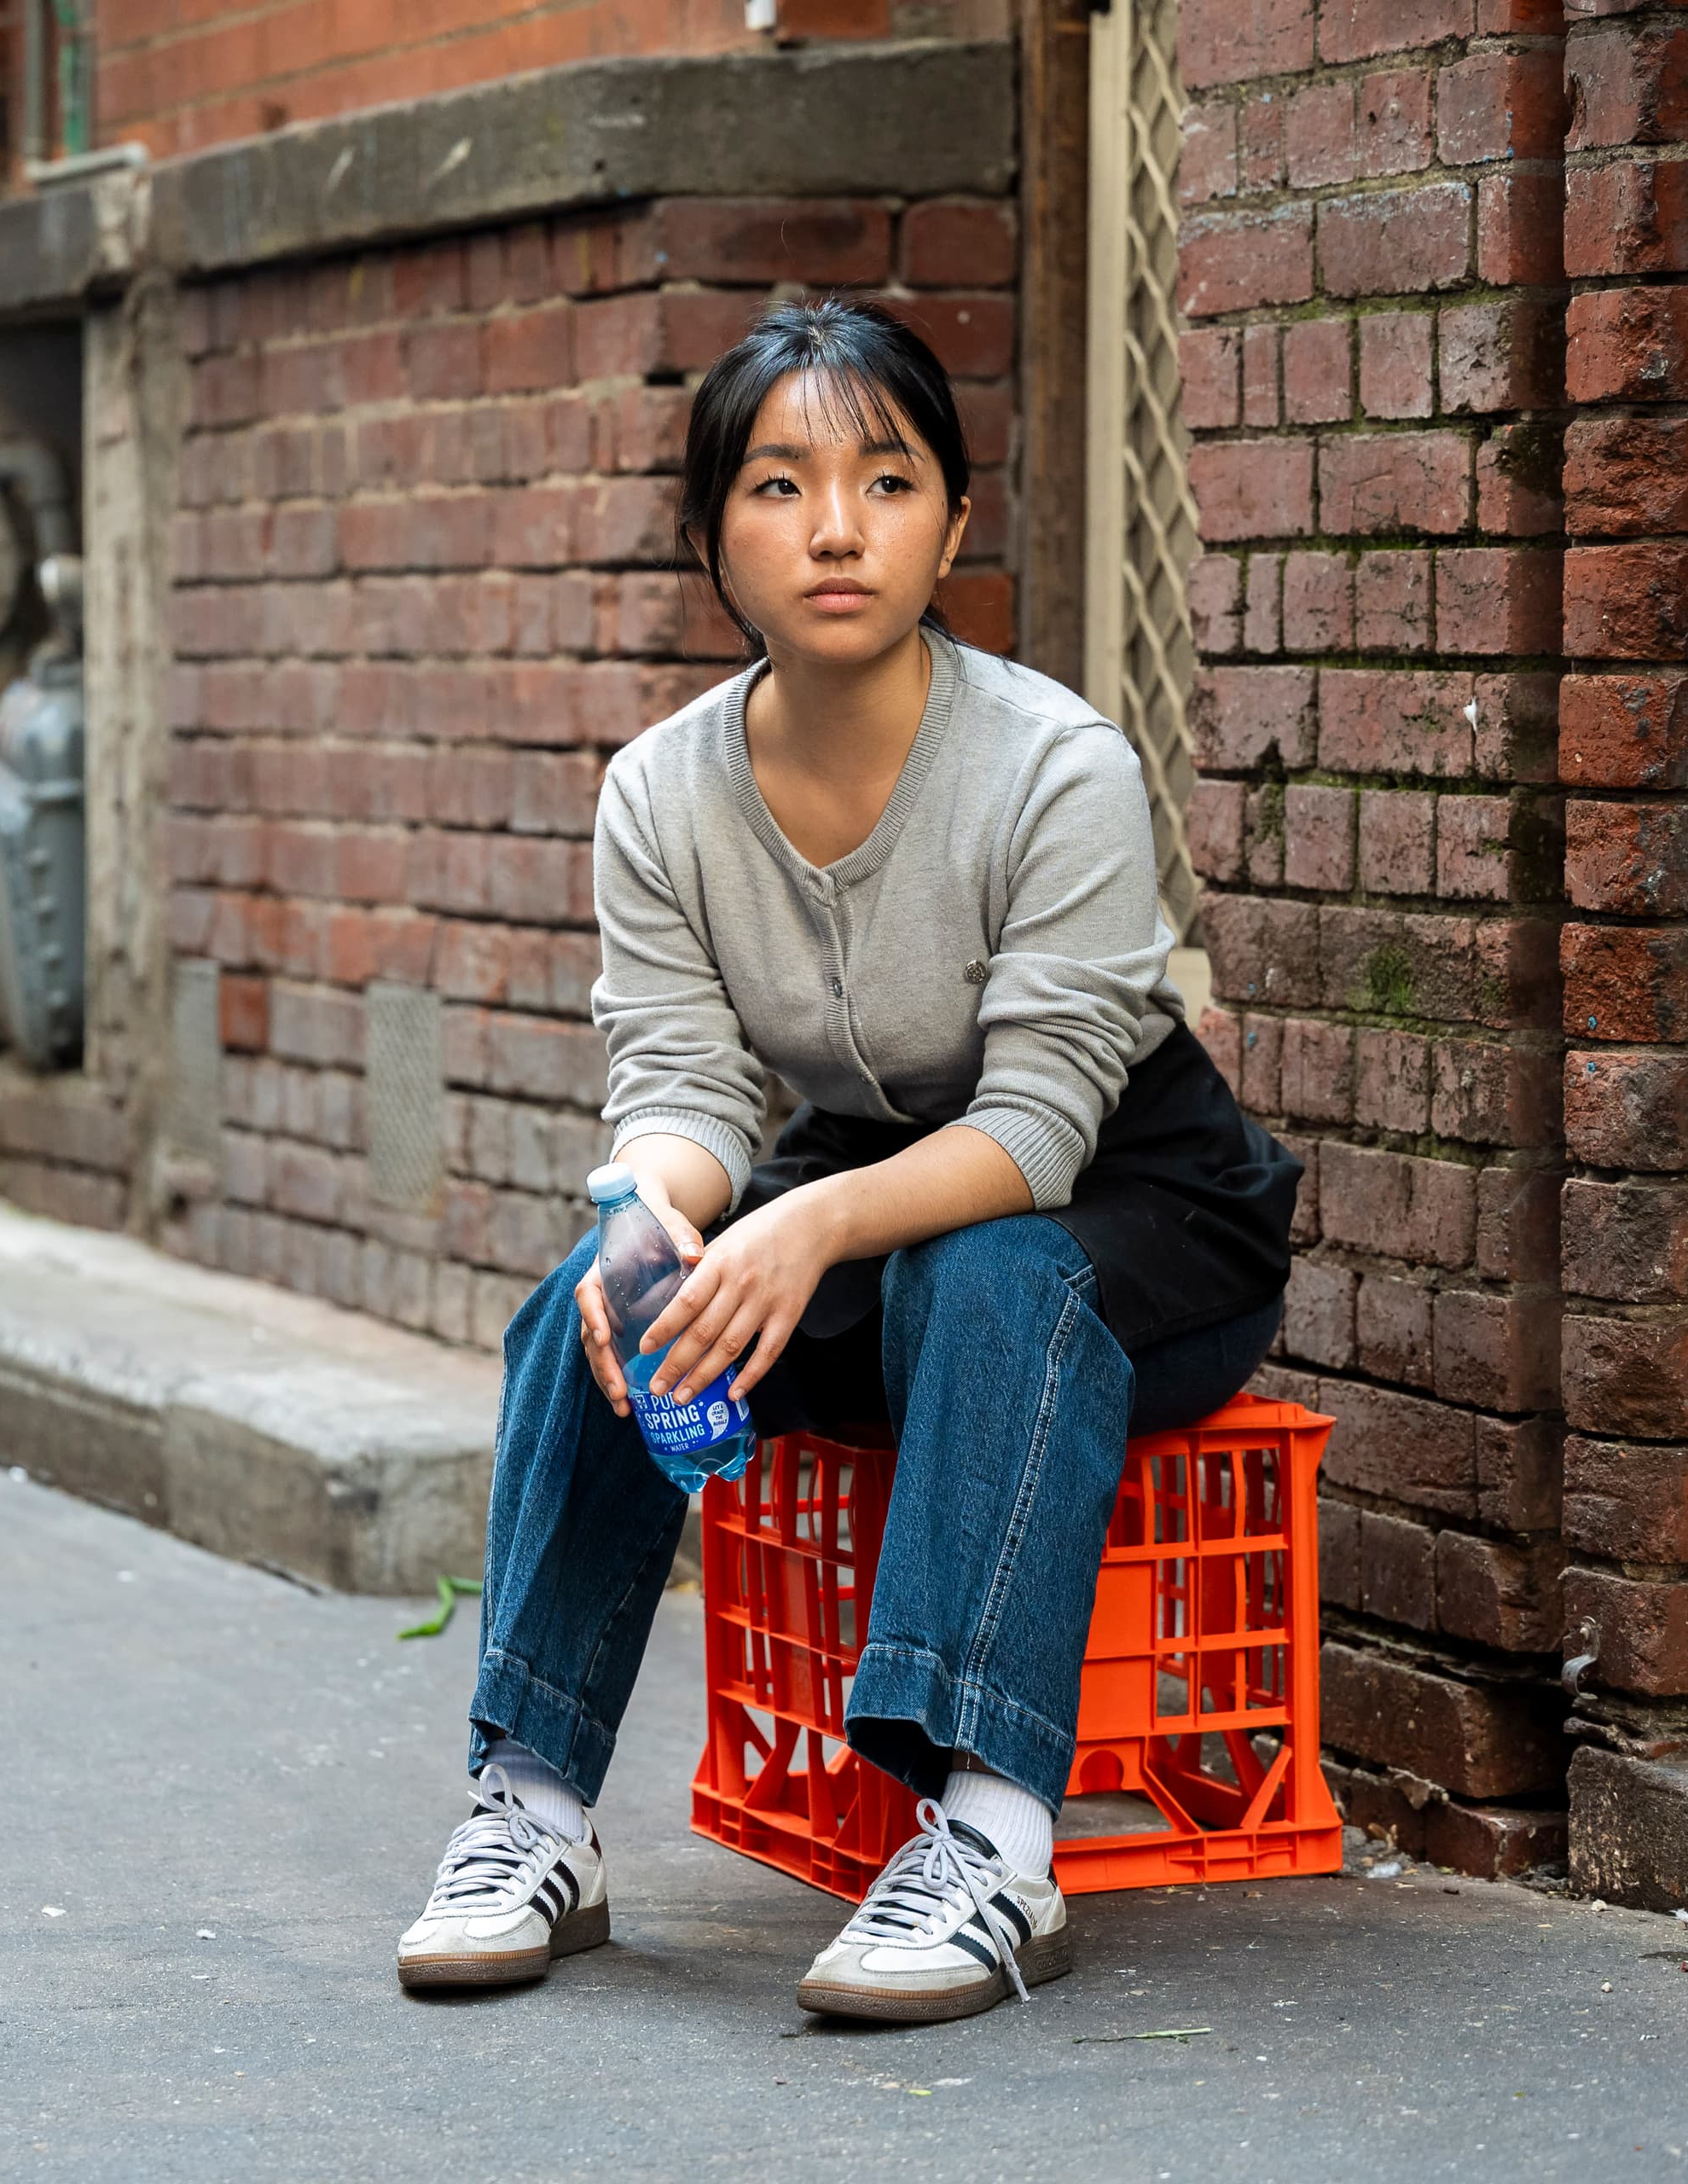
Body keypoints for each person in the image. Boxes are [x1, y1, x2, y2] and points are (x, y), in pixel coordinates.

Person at [392, 297, 1300, 2024]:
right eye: (780, 485)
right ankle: (534, 1804)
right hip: (865, 1207)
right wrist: (660, 1213)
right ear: (710, 536)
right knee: (606, 1293)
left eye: (886, 482)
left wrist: (810, 1220)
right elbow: (681, 1078)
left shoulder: (1056, 769)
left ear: (952, 523)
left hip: (1139, 1214)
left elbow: (1040, 1125)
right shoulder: (661, 792)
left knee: (995, 1262)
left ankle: (991, 1839)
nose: (833, 527)